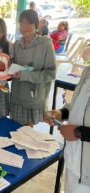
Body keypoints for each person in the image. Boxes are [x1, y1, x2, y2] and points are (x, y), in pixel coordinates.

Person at [45, 47, 90, 192]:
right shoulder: (87, 71)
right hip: (74, 158)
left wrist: (79, 132)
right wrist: (61, 113)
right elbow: (79, 104)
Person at [10, 9, 56, 126]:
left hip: (33, 98)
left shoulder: (45, 44)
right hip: (16, 97)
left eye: (29, 23)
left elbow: (50, 73)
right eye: (22, 23)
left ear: (36, 25)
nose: (25, 27)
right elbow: (12, 67)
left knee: (27, 134)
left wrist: (25, 75)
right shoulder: (17, 44)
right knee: (15, 131)